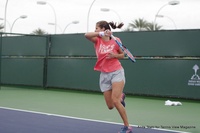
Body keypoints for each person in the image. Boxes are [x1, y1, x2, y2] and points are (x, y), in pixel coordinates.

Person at [84, 20, 133, 133]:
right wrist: (101, 34)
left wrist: (114, 55)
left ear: (103, 28)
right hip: (104, 74)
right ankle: (121, 97)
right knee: (110, 106)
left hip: (117, 72)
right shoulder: (97, 40)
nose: (95, 30)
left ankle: (127, 127)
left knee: (115, 101)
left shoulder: (116, 41)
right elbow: (86, 35)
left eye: (97, 28)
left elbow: (122, 55)